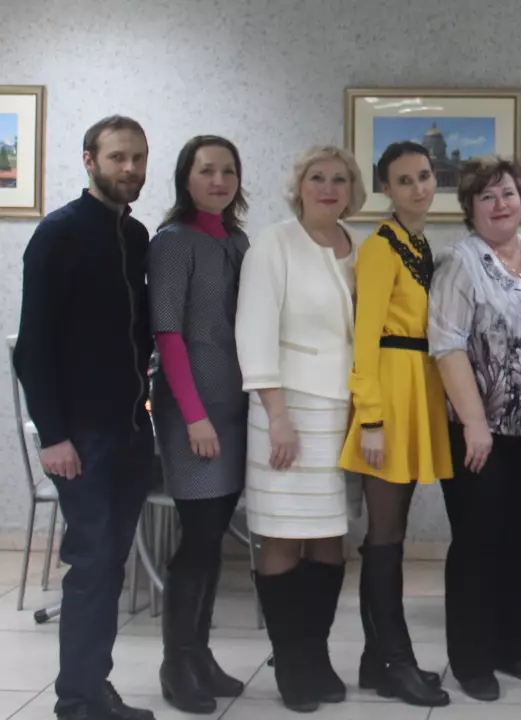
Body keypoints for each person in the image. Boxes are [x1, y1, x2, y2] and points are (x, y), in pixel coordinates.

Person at [14, 115, 158, 720]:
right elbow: (32, 348)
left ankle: (93, 688)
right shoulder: (59, 233)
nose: (130, 168)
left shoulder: (136, 235)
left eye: (138, 157)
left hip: (131, 430)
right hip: (81, 437)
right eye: (118, 157)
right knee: (93, 563)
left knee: (110, 564)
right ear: (89, 161)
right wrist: (54, 437)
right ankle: (77, 698)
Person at [428, 155, 521, 702]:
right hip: (478, 435)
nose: (500, 204)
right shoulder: (460, 263)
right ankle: (472, 658)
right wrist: (474, 424)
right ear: (470, 209)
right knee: (478, 542)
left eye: (507, 192)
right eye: (486, 196)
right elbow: (447, 347)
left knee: (518, 540)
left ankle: (515, 646)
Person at [235, 144, 364, 713]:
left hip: (343, 414)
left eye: (340, 179)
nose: (328, 188)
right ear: (299, 186)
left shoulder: (358, 246)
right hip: (285, 411)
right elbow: (254, 331)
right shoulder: (274, 243)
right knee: (283, 536)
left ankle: (316, 652)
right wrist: (277, 416)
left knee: (331, 538)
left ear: (353, 190)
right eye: (318, 177)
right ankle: (290, 660)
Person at [336, 141, 451, 708]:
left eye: (424, 176)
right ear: (386, 188)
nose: (418, 187)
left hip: (416, 389)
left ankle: (374, 659)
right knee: (384, 538)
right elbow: (365, 338)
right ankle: (396, 661)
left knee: (391, 536)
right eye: (404, 180)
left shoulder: (419, 244)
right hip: (387, 395)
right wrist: (372, 418)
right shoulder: (380, 248)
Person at [148, 135, 251, 714]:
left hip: (235, 409)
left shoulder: (236, 241)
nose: (218, 181)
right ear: (185, 177)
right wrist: (193, 416)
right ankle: (176, 662)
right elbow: (167, 334)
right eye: (207, 170)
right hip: (195, 413)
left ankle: (199, 654)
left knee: (213, 539)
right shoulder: (173, 241)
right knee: (197, 538)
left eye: (228, 171)